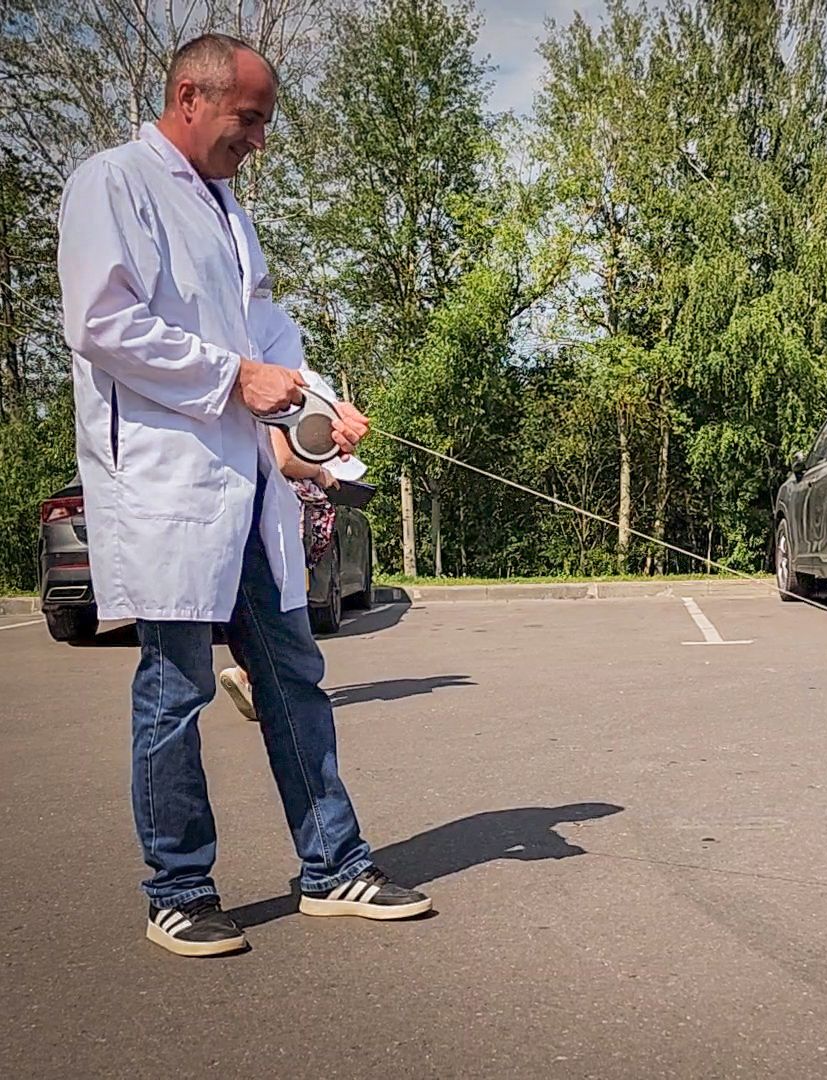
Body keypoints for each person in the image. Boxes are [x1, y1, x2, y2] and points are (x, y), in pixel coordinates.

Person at [57, 32, 431, 958]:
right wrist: (236, 380)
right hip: (166, 485)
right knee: (174, 691)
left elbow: (266, 326)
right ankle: (178, 890)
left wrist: (318, 402)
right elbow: (102, 322)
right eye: (249, 119)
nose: (258, 139)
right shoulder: (113, 183)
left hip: (244, 490)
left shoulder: (227, 207)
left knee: (294, 676)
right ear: (191, 95)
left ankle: (334, 866)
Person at [219, 382, 346, 723]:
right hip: (283, 514)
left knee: (273, 604)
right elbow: (283, 458)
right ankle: (262, 680)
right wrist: (320, 472)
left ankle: (255, 677)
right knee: (282, 606)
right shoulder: (274, 400)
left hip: (278, 513)